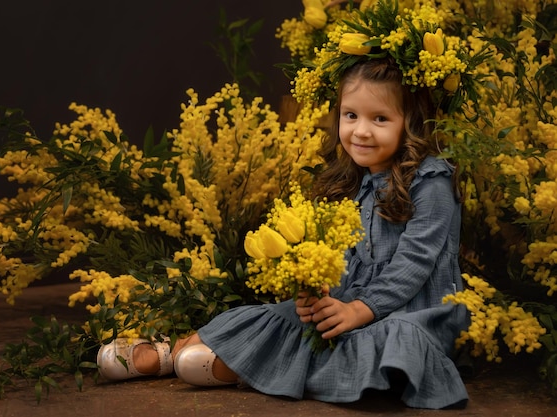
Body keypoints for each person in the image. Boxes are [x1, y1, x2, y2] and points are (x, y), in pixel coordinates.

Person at [96, 53, 471, 409]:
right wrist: (316, 291)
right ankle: (178, 351)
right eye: (351, 115)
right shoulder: (352, 182)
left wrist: (360, 309)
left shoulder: (431, 182)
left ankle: (238, 368)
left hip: (415, 310)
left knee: (392, 340)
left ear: (412, 121)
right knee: (281, 315)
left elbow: (414, 264)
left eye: (380, 119)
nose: (361, 131)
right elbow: (342, 258)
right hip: (353, 300)